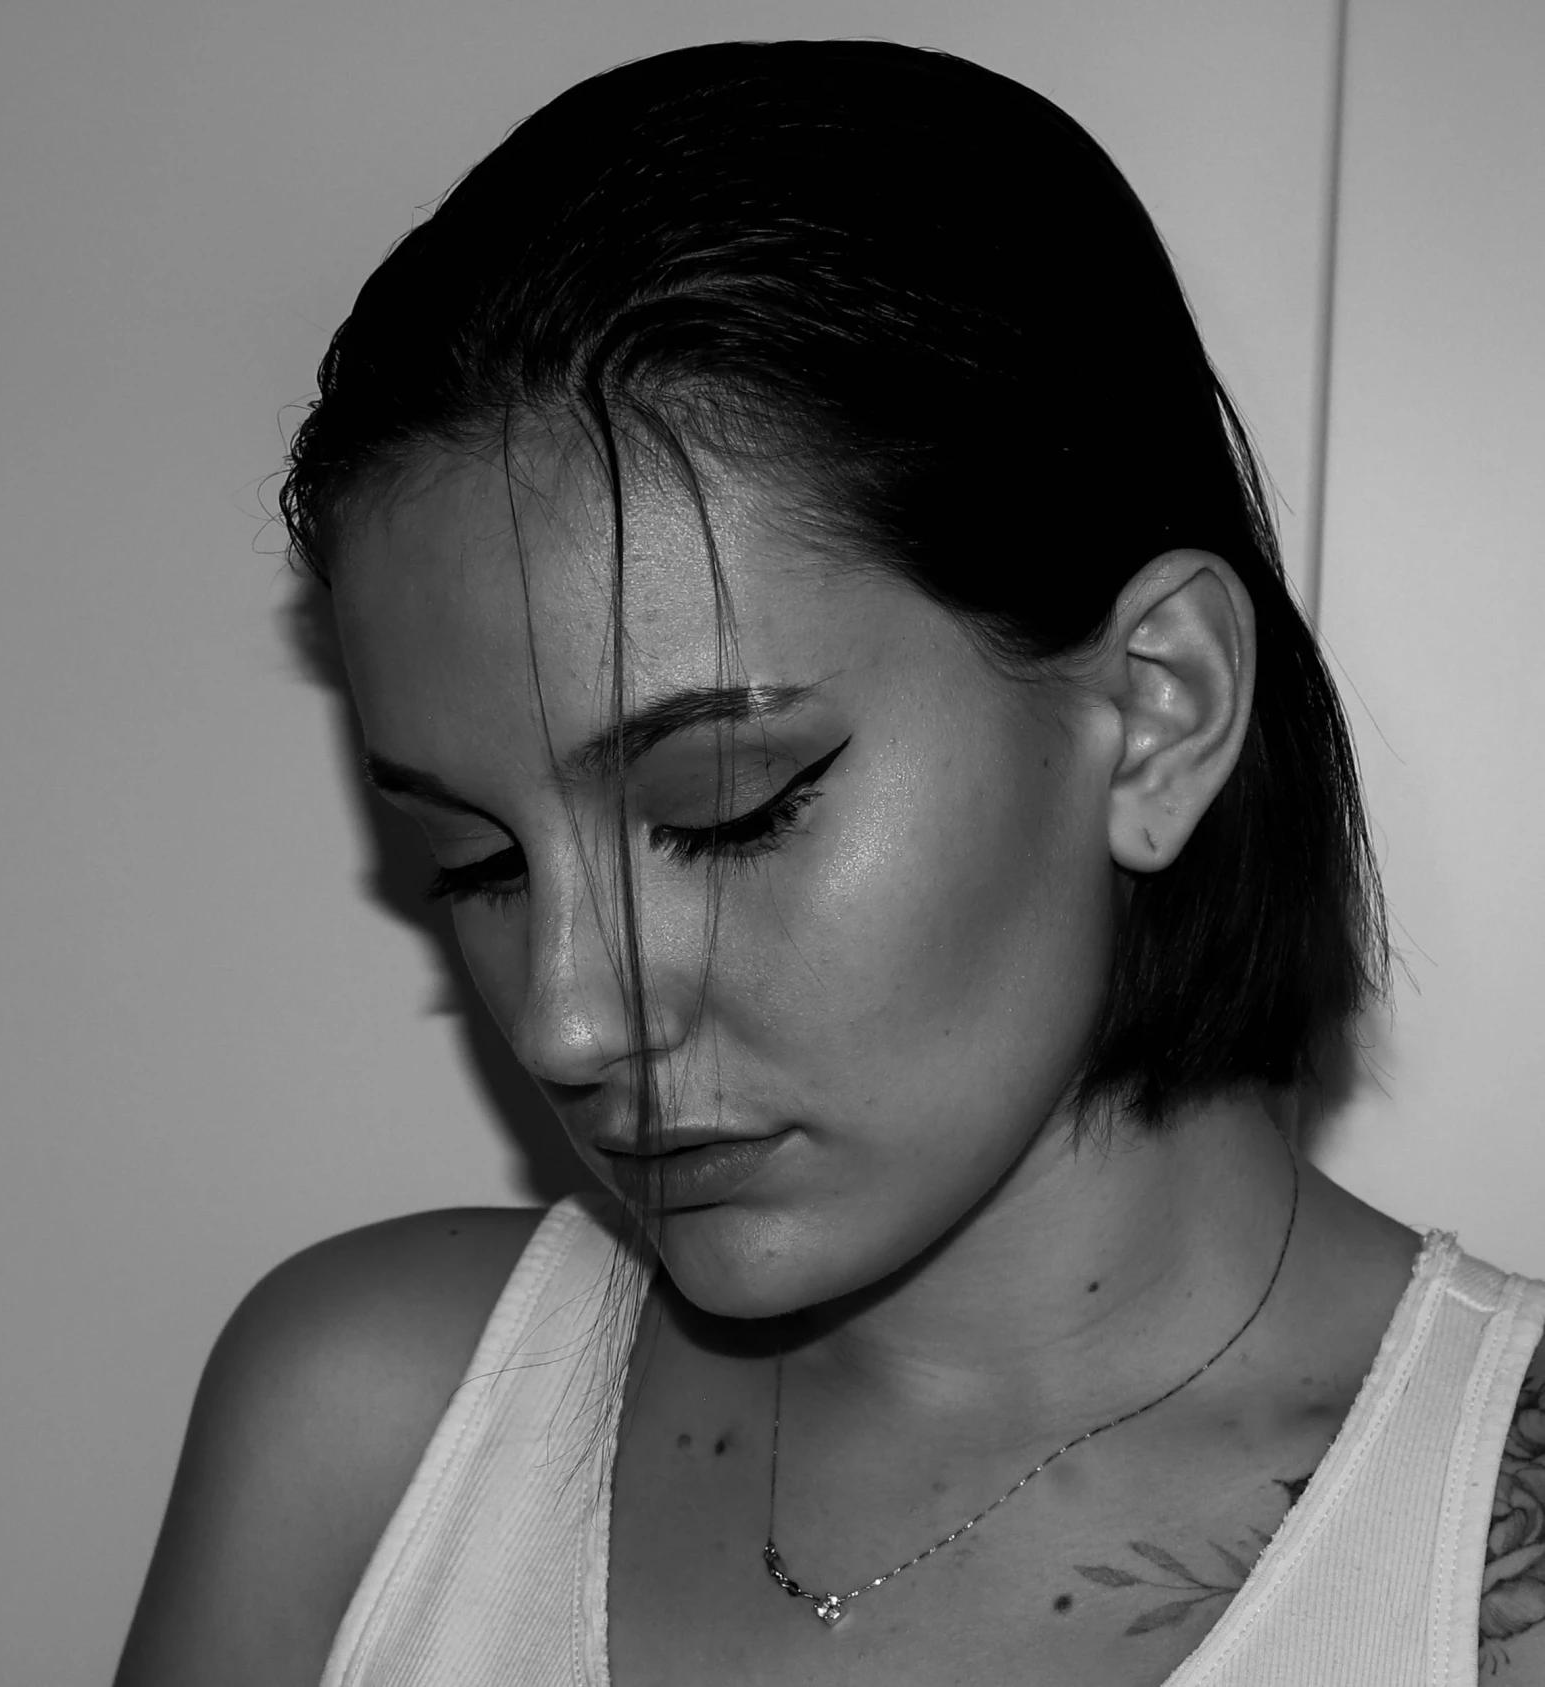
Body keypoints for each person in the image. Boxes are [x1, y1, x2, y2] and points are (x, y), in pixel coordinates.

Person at [116, 40, 1545, 1687]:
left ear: (1155, 709)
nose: (568, 1018)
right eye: (475, 860)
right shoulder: (366, 1433)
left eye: (725, 805)